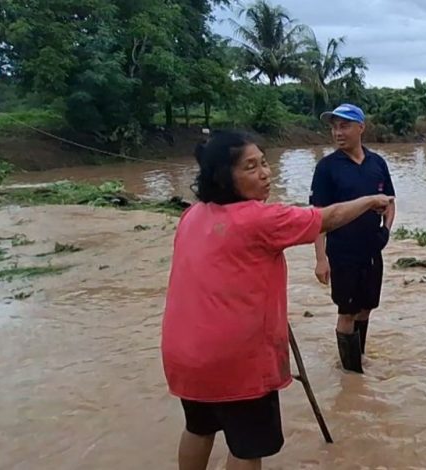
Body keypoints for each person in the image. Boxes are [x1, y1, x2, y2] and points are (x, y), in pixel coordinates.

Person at [161, 131, 393, 470]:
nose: (265, 174)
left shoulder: (193, 215)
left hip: (186, 353)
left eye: (264, 162)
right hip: (234, 360)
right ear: (223, 177)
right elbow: (326, 218)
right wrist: (370, 201)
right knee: (246, 447)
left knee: (199, 428)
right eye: (251, 167)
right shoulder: (260, 219)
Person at [310, 103, 396, 374]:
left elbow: (390, 202)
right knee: (346, 312)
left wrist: (386, 231)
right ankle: (350, 371)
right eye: (334, 127)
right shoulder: (326, 168)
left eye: (344, 126)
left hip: (371, 250)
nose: (338, 132)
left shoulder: (377, 163)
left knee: (366, 307)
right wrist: (321, 259)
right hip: (342, 252)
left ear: (361, 128)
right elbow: (317, 217)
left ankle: (358, 358)